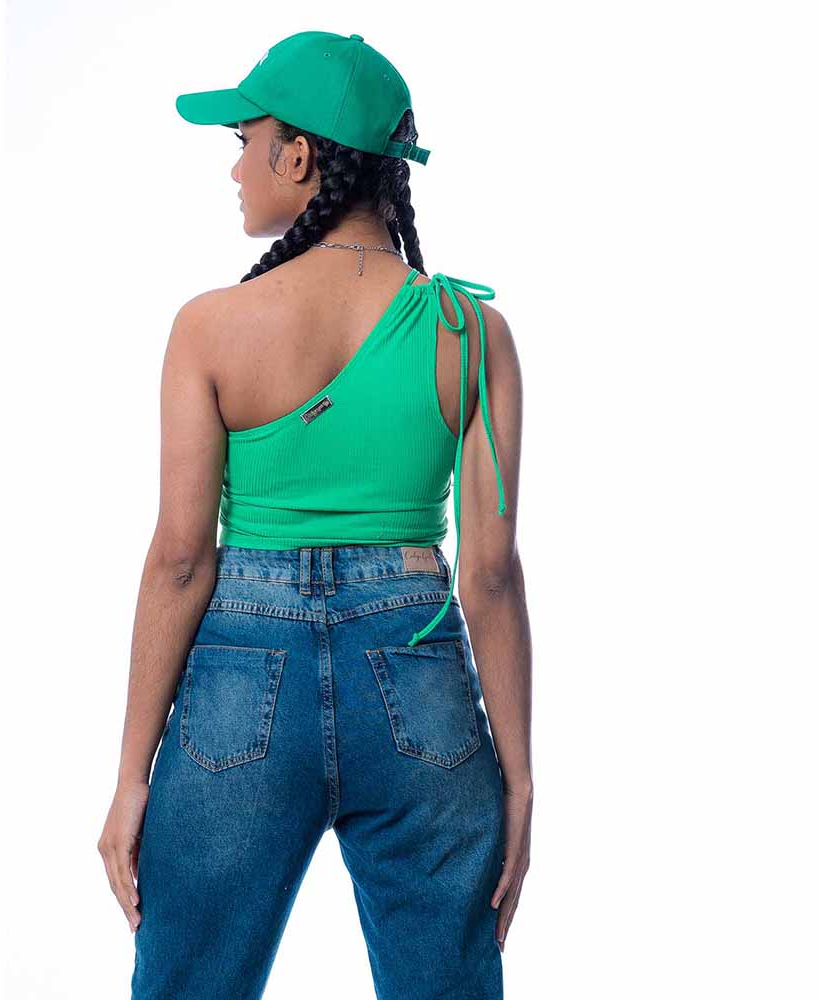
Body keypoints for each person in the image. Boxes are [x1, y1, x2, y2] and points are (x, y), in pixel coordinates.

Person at [98, 30, 533, 1000]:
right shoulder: (473, 332)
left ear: (297, 156)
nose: (234, 167)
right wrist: (517, 777)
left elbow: (181, 559)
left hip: (241, 681)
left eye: (244, 140)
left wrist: (131, 776)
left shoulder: (210, 327)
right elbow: (489, 574)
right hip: (417, 675)